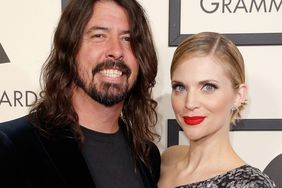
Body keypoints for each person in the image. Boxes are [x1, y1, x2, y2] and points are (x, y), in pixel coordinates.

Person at [0, 0, 160, 187]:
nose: (116, 51)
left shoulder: (149, 157)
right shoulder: (13, 145)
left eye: (128, 39)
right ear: (70, 50)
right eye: (99, 35)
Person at [158, 32, 276, 188]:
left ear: (238, 96)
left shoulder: (251, 185)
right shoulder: (168, 159)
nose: (190, 103)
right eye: (180, 87)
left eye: (208, 87)